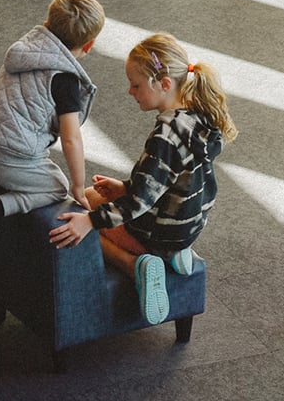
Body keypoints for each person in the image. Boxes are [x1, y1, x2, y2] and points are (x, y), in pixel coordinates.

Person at [48, 33, 237, 325]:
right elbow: (168, 181)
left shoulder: (165, 135)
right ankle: (176, 254)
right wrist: (124, 187)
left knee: (80, 216)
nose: (129, 91)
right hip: (188, 226)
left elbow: (138, 203)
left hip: (158, 233)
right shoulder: (199, 119)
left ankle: (138, 264)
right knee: (96, 195)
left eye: (136, 85)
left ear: (163, 84)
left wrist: (90, 221)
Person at [0, 0, 104, 254]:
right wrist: (78, 186)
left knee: (26, 170)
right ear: (89, 45)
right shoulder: (66, 80)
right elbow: (71, 139)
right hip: (9, 154)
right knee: (55, 186)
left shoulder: (25, 49)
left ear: (47, 24)